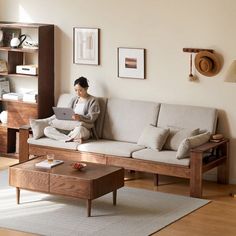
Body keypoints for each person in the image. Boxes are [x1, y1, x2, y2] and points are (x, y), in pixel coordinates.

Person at [44, 76, 100, 143]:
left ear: (86, 88)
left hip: (83, 128)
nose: (78, 93)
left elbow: (92, 118)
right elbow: (67, 112)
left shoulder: (93, 100)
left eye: (80, 90)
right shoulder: (74, 99)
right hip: (69, 127)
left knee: (79, 130)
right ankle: (71, 139)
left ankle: (65, 138)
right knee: (47, 130)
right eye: (76, 90)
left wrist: (80, 117)